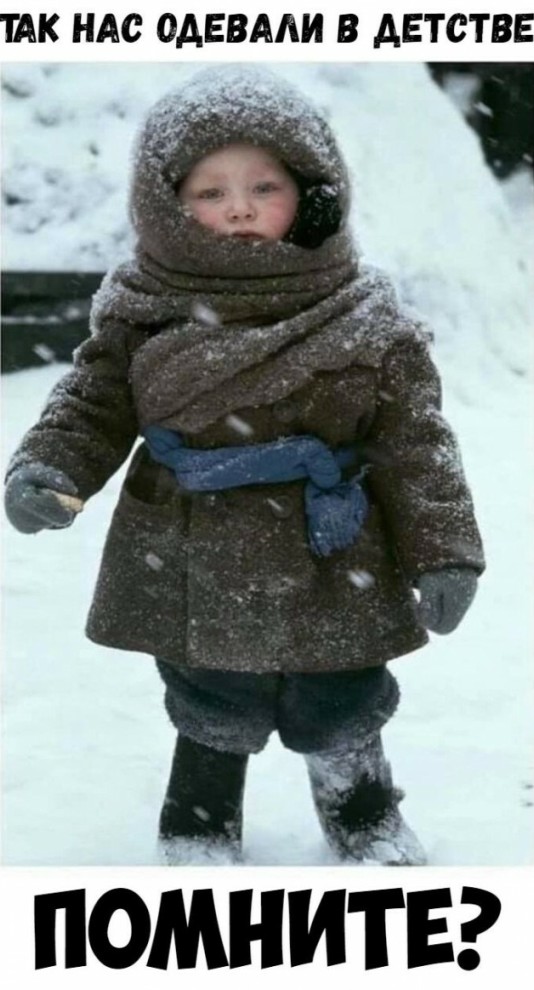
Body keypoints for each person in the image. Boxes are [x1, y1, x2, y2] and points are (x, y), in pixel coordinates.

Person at [4, 67, 485, 866]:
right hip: (191, 540)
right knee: (209, 689)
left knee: (343, 687)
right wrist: (49, 467)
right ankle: (199, 819)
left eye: (265, 186)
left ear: (313, 193)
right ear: (167, 206)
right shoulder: (143, 307)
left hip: (332, 542)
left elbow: (416, 444)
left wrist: (446, 552)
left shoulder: (365, 314)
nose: (239, 208)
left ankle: (361, 808)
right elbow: (91, 403)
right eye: (210, 192)